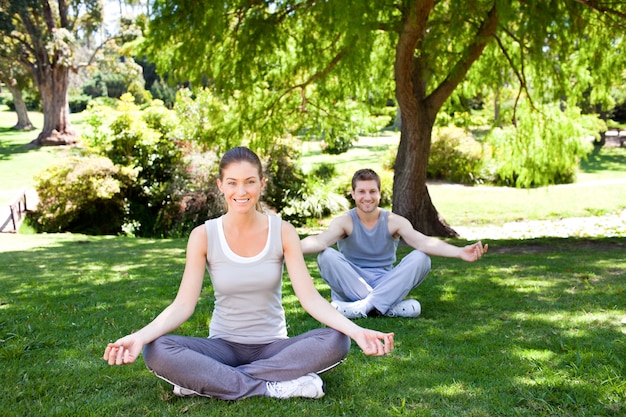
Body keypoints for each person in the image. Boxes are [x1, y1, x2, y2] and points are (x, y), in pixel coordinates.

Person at [103, 147, 394, 401]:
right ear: (220, 185)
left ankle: (210, 382)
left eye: (249, 182)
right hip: (222, 347)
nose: (241, 192)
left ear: (261, 184)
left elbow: (310, 299)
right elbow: (183, 305)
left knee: (337, 340)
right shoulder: (203, 235)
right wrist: (139, 337)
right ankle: (272, 387)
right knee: (157, 349)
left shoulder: (283, 232)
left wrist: (356, 331)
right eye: (232, 183)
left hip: (275, 349)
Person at [301, 168, 488, 319]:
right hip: (353, 282)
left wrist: (459, 252)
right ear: (353, 194)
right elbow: (320, 240)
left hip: (386, 282)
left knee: (421, 258)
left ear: (380, 193)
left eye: (372, 191)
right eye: (362, 192)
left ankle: (361, 307)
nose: (367, 197)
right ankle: (387, 307)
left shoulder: (393, 221)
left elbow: (423, 242)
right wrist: (287, 247)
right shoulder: (344, 222)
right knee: (325, 255)